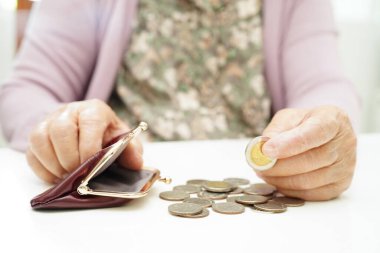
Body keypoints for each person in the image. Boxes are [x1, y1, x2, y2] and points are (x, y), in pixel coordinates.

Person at [0, 0, 359, 201]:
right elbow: (26, 91)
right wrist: (61, 129)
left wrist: (323, 131)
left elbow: (325, 86)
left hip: (258, 202)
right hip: (124, 214)